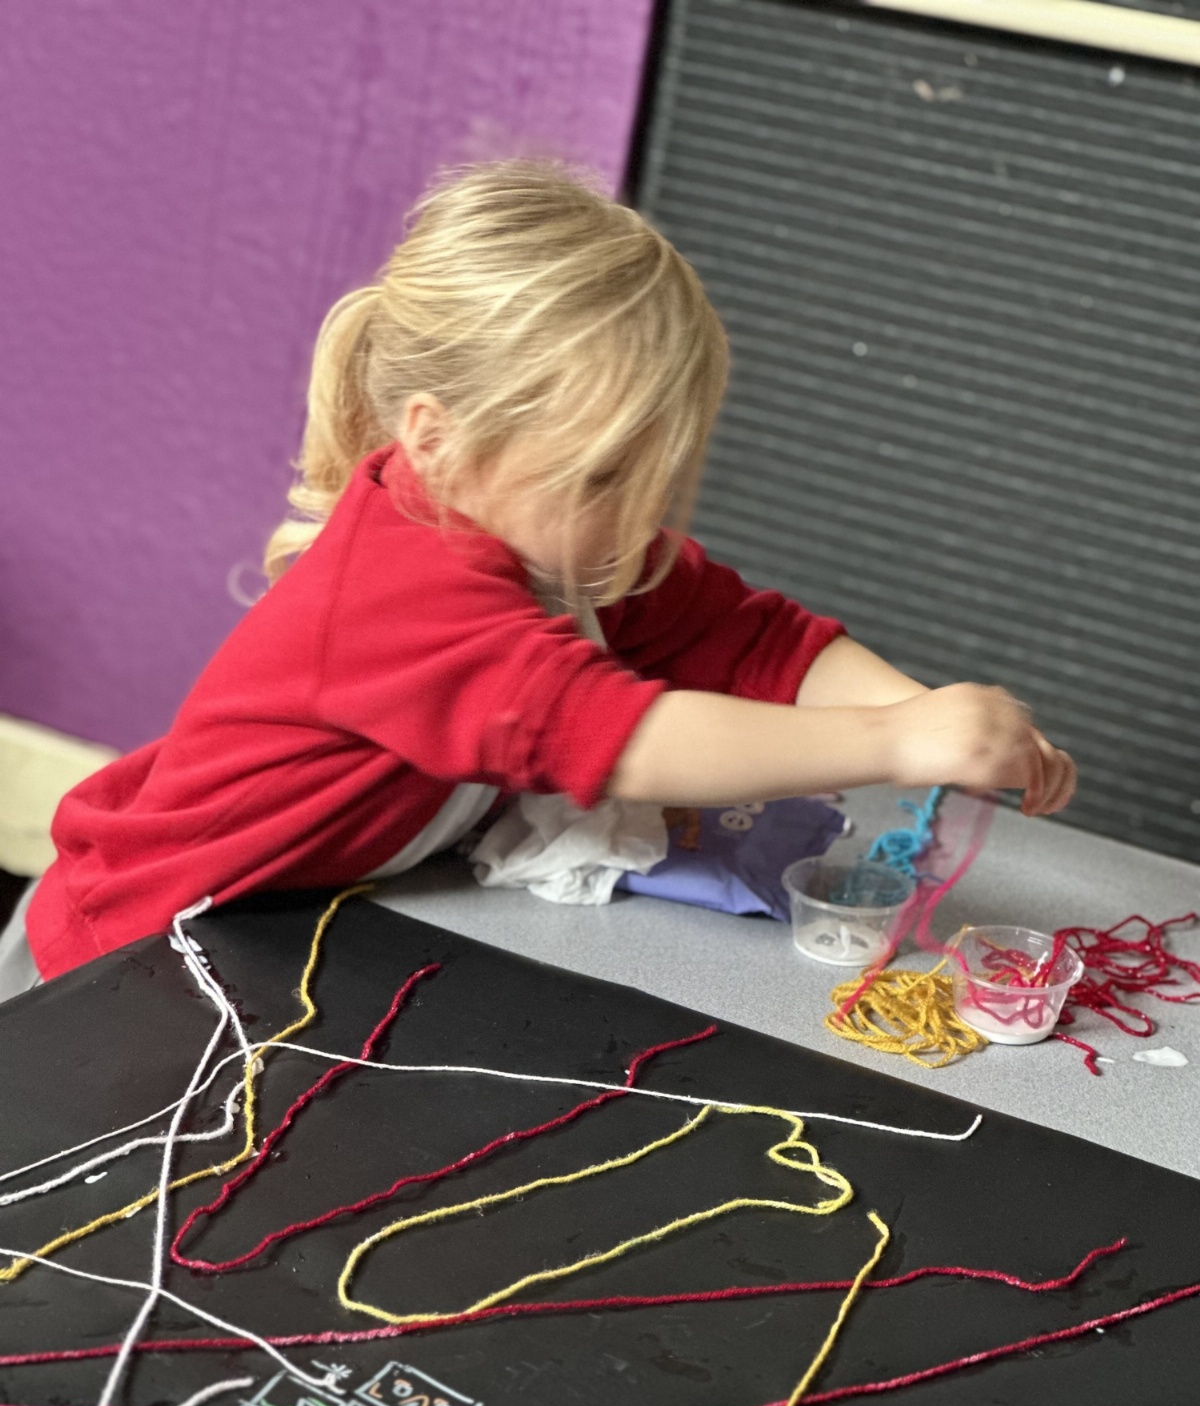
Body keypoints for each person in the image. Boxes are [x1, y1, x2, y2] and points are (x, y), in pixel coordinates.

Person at [6, 160, 1074, 996]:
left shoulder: (546, 532)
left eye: (653, 480)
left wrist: (935, 715)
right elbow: (623, 740)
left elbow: (756, 638)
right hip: (123, 952)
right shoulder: (401, 590)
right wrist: (895, 741)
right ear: (437, 439)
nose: (636, 521)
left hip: (281, 925)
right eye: (601, 478)